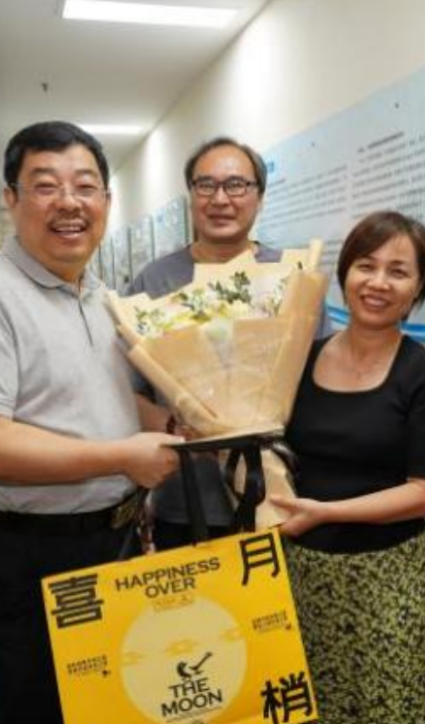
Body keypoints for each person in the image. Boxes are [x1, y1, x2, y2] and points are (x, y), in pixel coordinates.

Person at [0, 121, 181, 724]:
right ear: (10, 199)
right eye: (46, 185)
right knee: (37, 709)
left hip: (116, 541)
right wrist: (123, 457)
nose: (69, 202)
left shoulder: (99, 295)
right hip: (31, 556)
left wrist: (180, 424)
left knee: (114, 707)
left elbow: (108, 400)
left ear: (106, 202)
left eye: (85, 186)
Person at [274, 210, 425, 723]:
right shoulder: (299, 359)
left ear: (418, 288)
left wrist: (326, 512)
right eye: (366, 265)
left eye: (398, 271)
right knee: (315, 706)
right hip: (304, 572)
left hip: (389, 578)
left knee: (393, 706)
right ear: (344, 273)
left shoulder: (423, 373)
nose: (378, 283)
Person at [126, 136, 285, 550]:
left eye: (236, 185)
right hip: (184, 498)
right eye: (206, 185)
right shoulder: (153, 281)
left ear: (259, 196)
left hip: (277, 492)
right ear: (191, 195)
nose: (220, 199)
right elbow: (128, 391)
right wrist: (177, 429)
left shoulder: (289, 275)